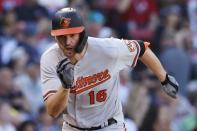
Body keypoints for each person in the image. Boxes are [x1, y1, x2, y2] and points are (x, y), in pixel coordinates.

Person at [40, 7, 179, 131]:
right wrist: (65, 87)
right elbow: (53, 111)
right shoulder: (50, 59)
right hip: (73, 127)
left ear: (82, 33)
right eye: (62, 37)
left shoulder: (106, 49)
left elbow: (142, 48)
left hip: (110, 126)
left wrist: (164, 79)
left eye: (72, 35)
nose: (67, 42)